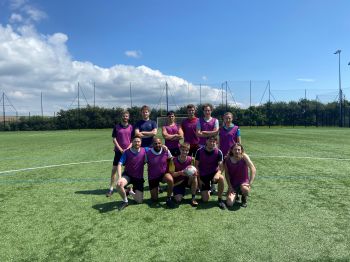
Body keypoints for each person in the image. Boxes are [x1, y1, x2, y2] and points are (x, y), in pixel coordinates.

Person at [115, 135, 147, 211]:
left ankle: (129, 191)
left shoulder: (145, 150)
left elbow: (155, 148)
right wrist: (119, 178)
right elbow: (119, 164)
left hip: (139, 178)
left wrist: (163, 146)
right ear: (132, 142)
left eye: (138, 141)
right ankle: (125, 201)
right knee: (119, 184)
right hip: (128, 175)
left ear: (141, 142)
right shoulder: (126, 152)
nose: (137, 143)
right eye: (135, 141)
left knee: (139, 201)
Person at [106, 111, 133, 197]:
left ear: (128, 117)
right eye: (124, 116)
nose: (125, 117)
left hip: (128, 152)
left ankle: (124, 186)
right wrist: (120, 149)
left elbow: (133, 140)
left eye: (127, 116)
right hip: (118, 152)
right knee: (114, 170)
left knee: (128, 171)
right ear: (121, 117)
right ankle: (111, 188)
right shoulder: (116, 127)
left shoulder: (131, 127)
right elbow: (114, 139)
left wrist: (127, 149)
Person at [195, 136, 226, 209]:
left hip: (213, 173)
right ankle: (207, 189)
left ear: (216, 142)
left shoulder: (218, 152)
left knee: (221, 178)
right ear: (206, 141)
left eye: (213, 141)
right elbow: (196, 167)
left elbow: (221, 167)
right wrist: (199, 180)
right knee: (205, 199)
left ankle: (220, 199)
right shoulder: (199, 151)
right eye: (210, 141)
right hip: (203, 175)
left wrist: (217, 174)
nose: (211, 143)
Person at [224, 143, 256, 208]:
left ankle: (244, 198)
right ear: (232, 150)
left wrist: (249, 183)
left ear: (241, 150)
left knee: (245, 189)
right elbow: (226, 174)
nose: (237, 151)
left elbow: (253, 168)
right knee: (229, 203)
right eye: (235, 149)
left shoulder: (244, 157)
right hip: (233, 185)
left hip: (243, 183)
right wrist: (230, 186)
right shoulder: (228, 159)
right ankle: (236, 195)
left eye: (239, 149)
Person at [146, 137, 175, 208]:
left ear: (162, 144)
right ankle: (158, 189)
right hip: (152, 177)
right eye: (155, 143)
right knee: (154, 199)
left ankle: (169, 198)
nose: (157, 145)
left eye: (159, 143)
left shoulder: (166, 150)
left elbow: (171, 159)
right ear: (152, 144)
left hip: (163, 174)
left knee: (170, 179)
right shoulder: (148, 152)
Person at [168, 142, 198, 207]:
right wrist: (180, 172)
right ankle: (176, 193)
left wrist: (194, 173)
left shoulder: (192, 159)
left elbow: (195, 171)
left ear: (189, 151)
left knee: (194, 177)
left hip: (188, 180)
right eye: (183, 150)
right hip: (178, 182)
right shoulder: (173, 160)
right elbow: (172, 174)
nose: (185, 152)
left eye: (187, 150)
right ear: (180, 150)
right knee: (178, 200)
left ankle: (193, 198)